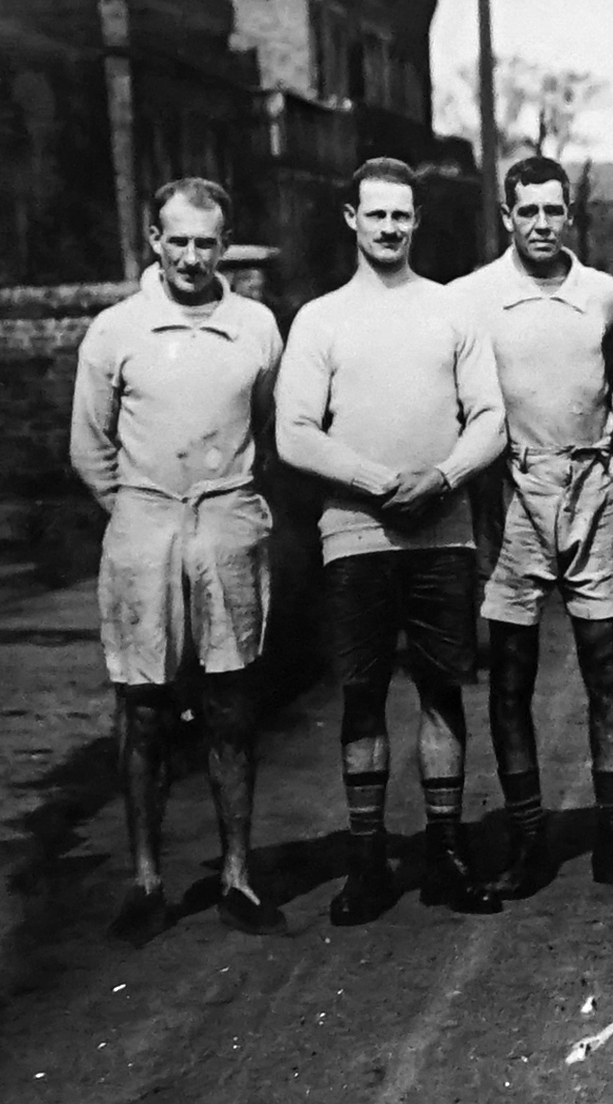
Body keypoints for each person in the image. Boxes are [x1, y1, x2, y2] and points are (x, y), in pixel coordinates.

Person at [276, 157, 507, 924]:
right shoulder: (320, 319)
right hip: (356, 534)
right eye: (376, 214)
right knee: (363, 692)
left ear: (417, 220)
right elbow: (294, 432)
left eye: (401, 214)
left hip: (442, 532)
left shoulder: (451, 309)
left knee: (442, 688)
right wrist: (380, 482)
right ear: (352, 218)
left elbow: (490, 419)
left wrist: (440, 477)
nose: (389, 227)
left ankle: (445, 852)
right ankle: (367, 860)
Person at [70, 179, 287, 944]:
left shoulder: (256, 326)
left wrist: (222, 509)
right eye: (178, 240)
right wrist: (140, 514)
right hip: (145, 525)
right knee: (144, 706)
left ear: (224, 244)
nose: (191, 256)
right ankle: (145, 880)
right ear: (154, 240)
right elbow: (89, 447)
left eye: (206, 241)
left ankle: (238, 876)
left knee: (231, 701)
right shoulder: (116, 330)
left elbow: (267, 427)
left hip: (227, 522)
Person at [448, 155, 613, 900]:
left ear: (569, 214)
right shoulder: (472, 296)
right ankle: (528, 838)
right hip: (510, 491)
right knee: (511, 673)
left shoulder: (603, 294)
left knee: (606, 666)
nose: (541, 224)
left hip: (592, 484)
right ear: (507, 216)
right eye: (527, 211)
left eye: (553, 210)